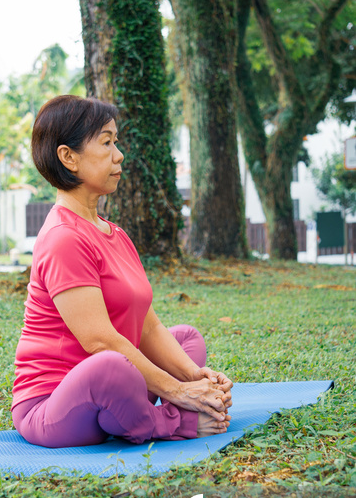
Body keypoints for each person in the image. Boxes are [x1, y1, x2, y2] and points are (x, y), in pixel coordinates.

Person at [12, 95, 233, 448]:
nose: (119, 155)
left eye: (116, 141)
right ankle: (173, 420)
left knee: (186, 339)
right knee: (112, 366)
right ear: (68, 157)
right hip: (54, 405)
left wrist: (194, 378)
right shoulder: (62, 238)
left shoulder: (116, 234)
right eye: (106, 142)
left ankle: (152, 410)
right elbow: (98, 341)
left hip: (118, 384)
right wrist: (179, 393)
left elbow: (147, 325)